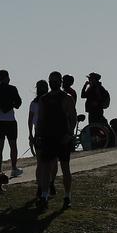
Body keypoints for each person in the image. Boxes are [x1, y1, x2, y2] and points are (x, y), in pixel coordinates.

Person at [34, 72, 74, 211]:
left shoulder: (67, 98)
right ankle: (44, 196)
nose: (53, 82)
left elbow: (72, 117)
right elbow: (40, 119)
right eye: (52, 80)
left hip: (62, 137)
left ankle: (67, 196)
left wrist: (69, 134)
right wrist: (38, 135)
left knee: (65, 167)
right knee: (45, 167)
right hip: (47, 137)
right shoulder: (44, 99)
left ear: (60, 81)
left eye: (56, 80)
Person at [0, 70, 23, 177]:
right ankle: (14, 168)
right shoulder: (12, 89)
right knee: (13, 145)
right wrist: (12, 104)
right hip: (10, 119)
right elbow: (18, 103)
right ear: (6, 78)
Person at [26, 79, 49, 158]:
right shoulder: (34, 103)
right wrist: (30, 134)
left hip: (43, 130)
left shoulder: (35, 103)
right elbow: (30, 120)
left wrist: (30, 134)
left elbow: (30, 120)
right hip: (40, 130)